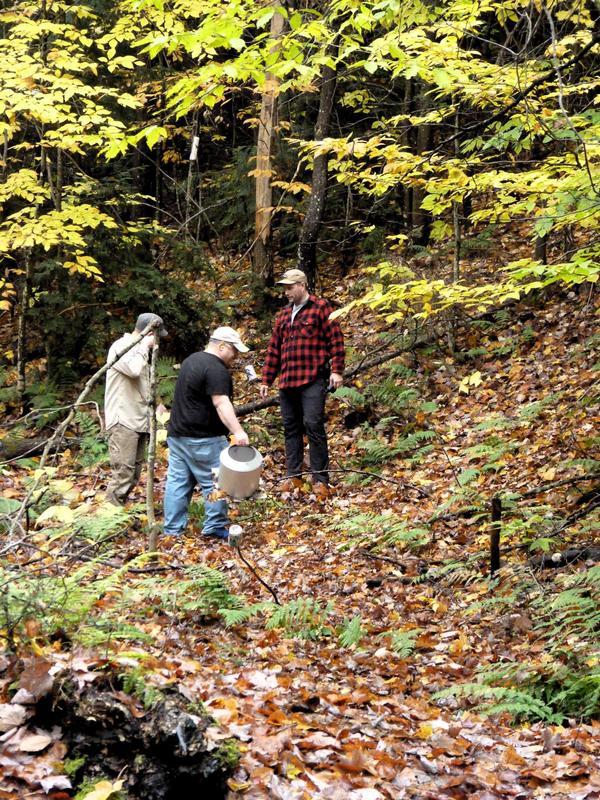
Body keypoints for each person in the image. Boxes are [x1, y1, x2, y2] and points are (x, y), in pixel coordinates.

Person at [260, 269, 345, 489]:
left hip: (313, 379)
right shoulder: (284, 315)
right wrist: (266, 380)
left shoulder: (321, 308)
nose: (286, 292)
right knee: (291, 428)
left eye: (290, 287)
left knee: (313, 424)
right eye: (284, 288)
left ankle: (320, 479)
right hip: (287, 381)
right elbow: (274, 350)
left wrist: (337, 370)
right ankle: (293, 477)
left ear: (302, 285)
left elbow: (336, 340)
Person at [163, 327, 250, 539]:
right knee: (216, 481)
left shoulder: (191, 361)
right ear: (221, 346)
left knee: (177, 482)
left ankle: (172, 531)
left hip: (177, 434)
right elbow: (220, 402)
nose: (236, 356)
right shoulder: (216, 369)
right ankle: (215, 525)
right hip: (203, 437)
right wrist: (237, 431)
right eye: (234, 351)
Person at [104, 312, 168, 506]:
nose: (158, 340)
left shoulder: (141, 350)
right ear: (149, 333)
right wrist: (143, 346)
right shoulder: (120, 346)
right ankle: (108, 521)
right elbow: (133, 370)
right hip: (123, 419)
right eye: (156, 335)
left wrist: (157, 403)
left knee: (133, 474)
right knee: (123, 474)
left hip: (140, 420)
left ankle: (118, 514)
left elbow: (143, 382)